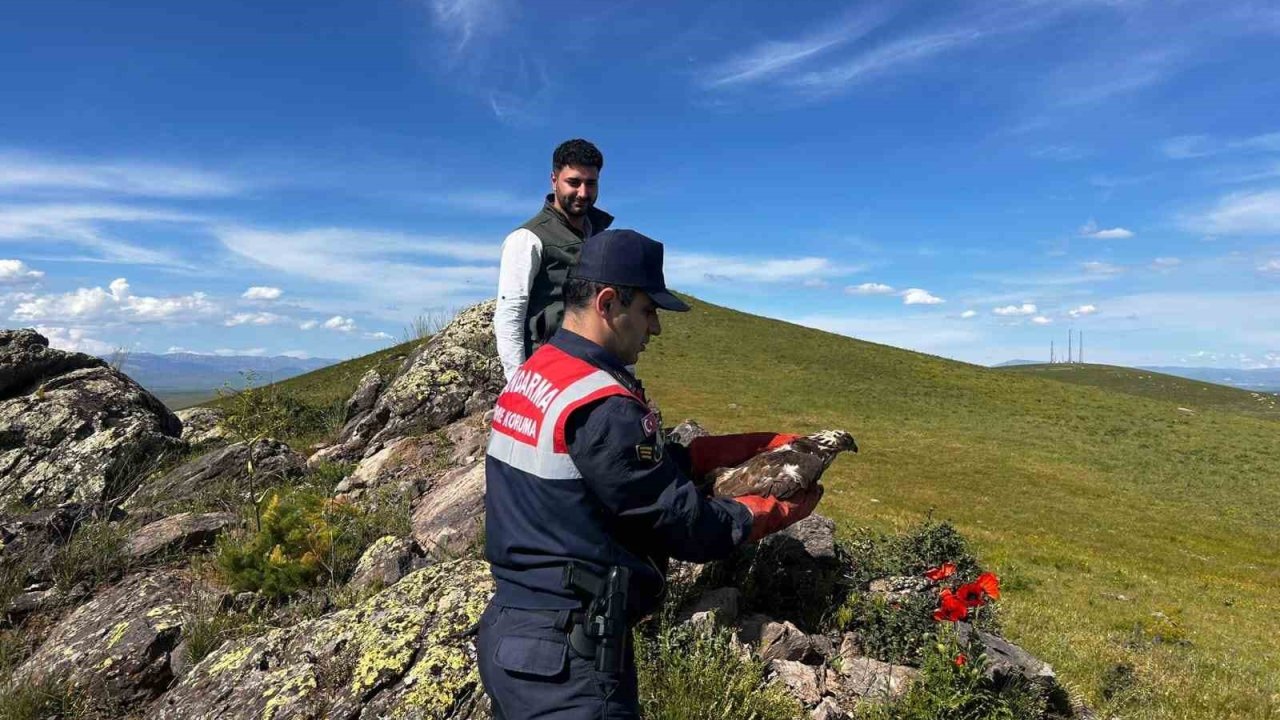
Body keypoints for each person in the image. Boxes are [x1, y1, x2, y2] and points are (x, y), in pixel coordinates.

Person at [479, 228, 824, 719]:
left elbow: (617, 474)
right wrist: (765, 513)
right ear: (607, 302)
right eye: (647, 310)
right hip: (568, 659)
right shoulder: (600, 403)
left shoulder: (539, 374)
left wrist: (737, 447)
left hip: (512, 633)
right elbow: (679, 521)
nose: (655, 329)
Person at [494, 138, 614, 382]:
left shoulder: (599, 236)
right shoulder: (527, 239)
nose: (583, 192)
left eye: (591, 183)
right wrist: (519, 384)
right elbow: (510, 315)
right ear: (554, 180)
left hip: (594, 368)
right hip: (548, 373)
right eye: (573, 182)